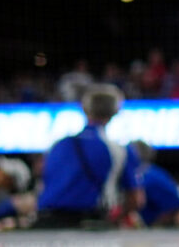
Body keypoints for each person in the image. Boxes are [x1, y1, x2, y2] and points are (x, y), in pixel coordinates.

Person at [34, 85, 140, 228]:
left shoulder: (57, 145)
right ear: (115, 111)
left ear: (85, 109)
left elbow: (42, 181)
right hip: (90, 225)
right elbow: (136, 199)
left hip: (46, 223)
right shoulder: (119, 150)